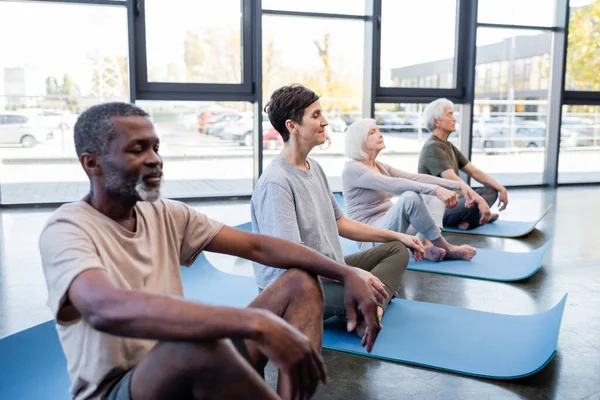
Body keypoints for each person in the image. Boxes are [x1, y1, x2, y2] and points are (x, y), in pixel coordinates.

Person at [38, 102, 384, 400]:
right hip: (122, 388)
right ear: (91, 163)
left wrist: (345, 271)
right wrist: (255, 322)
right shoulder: (68, 228)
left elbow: (257, 245)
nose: (154, 159)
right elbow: (105, 308)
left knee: (300, 282)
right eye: (137, 149)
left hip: (185, 365)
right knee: (198, 345)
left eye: (156, 148)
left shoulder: (164, 212)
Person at [251, 85, 426, 338]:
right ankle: (370, 305)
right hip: (292, 291)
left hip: (329, 269)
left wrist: (398, 236)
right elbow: (292, 257)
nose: (325, 122)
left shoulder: (314, 167)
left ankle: (371, 305)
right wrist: (351, 274)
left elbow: (341, 222)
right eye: (315, 116)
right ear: (292, 126)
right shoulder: (276, 182)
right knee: (366, 288)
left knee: (396, 250)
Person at [342, 119, 477, 261]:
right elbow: (394, 184)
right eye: (372, 132)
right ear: (359, 141)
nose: (380, 134)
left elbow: (415, 178)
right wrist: (436, 189)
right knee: (410, 197)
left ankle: (427, 245)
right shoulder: (353, 169)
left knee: (433, 196)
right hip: (372, 240)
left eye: (378, 130)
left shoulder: (379, 166)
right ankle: (448, 248)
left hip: (394, 229)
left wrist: (456, 185)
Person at [418, 98, 509, 230]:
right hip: (435, 208)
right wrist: (479, 200)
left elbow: (474, 172)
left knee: (491, 191)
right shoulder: (432, 147)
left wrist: (501, 188)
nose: (454, 119)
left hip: (453, 201)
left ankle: (469, 219)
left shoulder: (448, 145)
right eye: (449, 114)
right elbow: (452, 179)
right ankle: (472, 218)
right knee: (472, 205)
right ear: (436, 122)